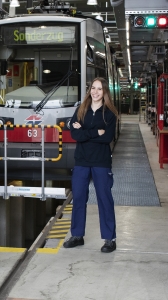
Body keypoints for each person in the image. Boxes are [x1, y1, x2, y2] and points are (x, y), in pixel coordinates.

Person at [63, 77, 119, 253]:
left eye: (99, 89)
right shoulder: (81, 110)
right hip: (81, 161)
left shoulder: (110, 114)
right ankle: (77, 235)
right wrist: (95, 132)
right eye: (93, 88)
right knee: (78, 197)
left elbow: (107, 138)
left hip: (101, 162)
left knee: (104, 199)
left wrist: (84, 132)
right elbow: (74, 134)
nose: (95, 92)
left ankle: (109, 239)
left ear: (105, 92)